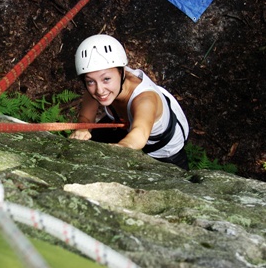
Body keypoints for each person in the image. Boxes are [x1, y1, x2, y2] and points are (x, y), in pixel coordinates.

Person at [69, 34, 189, 170]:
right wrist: (83, 129)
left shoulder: (145, 100)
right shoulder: (98, 84)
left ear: (123, 72)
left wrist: (122, 148)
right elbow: (86, 117)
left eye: (106, 79)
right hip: (122, 125)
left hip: (162, 149)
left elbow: (140, 132)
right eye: (90, 81)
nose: (100, 90)